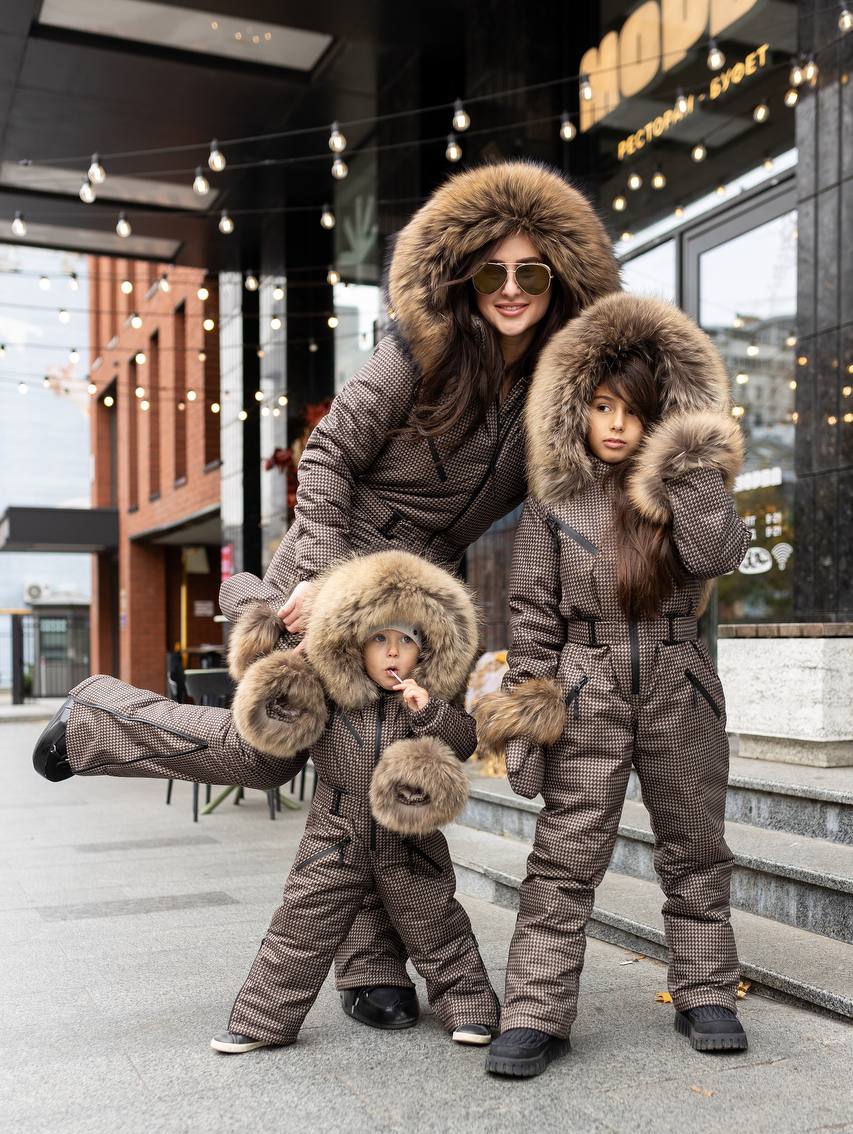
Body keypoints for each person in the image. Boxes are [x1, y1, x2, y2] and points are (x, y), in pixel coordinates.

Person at [33, 159, 619, 1033]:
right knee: (273, 750)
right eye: (489, 272)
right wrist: (326, 580)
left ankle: (372, 966)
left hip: (425, 598)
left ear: (559, 281)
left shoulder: (553, 396)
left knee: (380, 760)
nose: (508, 289)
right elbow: (328, 457)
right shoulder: (418, 347)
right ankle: (97, 720)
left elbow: (574, 498)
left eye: (529, 274)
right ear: (462, 277)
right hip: (335, 562)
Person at [476, 293, 751, 1078]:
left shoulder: (684, 489)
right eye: (601, 406)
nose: (616, 424)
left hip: (678, 682)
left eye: (633, 410)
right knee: (563, 858)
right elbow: (532, 614)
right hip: (585, 686)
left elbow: (718, 553)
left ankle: (705, 994)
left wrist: (689, 462)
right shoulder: (554, 500)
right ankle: (535, 1013)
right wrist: (528, 711)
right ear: (577, 409)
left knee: (695, 850)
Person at [209, 548, 500, 1053]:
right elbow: (274, 719)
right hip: (334, 834)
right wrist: (292, 665)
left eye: (406, 641)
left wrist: (429, 713)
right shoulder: (329, 690)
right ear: (354, 645)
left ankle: (471, 1009)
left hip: (410, 839)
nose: (392, 654)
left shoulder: (426, 700)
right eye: (379, 640)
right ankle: (260, 1022)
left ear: (424, 650)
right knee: (300, 926)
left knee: (439, 925)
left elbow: (463, 741)